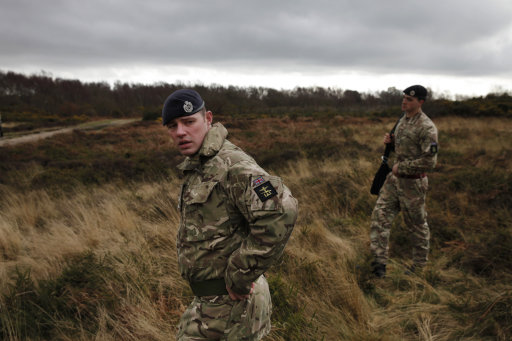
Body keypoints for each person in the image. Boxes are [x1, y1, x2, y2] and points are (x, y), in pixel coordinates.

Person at [162, 89, 298, 340]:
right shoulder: (200, 165)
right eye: (173, 125)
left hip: (234, 303)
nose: (180, 131)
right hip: (212, 302)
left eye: (189, 122)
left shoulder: (232, 164)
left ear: (208, 119)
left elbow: (281, 210)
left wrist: (241, 273)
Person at [369, 85, 438, 278]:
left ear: (420, 102)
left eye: (409, 99)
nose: (404, 101)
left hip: (413, 184)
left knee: (416, 225)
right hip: (393, 182)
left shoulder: (428, 128)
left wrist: (403, 168)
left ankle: (419, 267)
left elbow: (430, 161)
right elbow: (402, 145)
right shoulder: (402, 120)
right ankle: (378, 266)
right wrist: (391, 143)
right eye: (404, 98)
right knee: (379, 219)